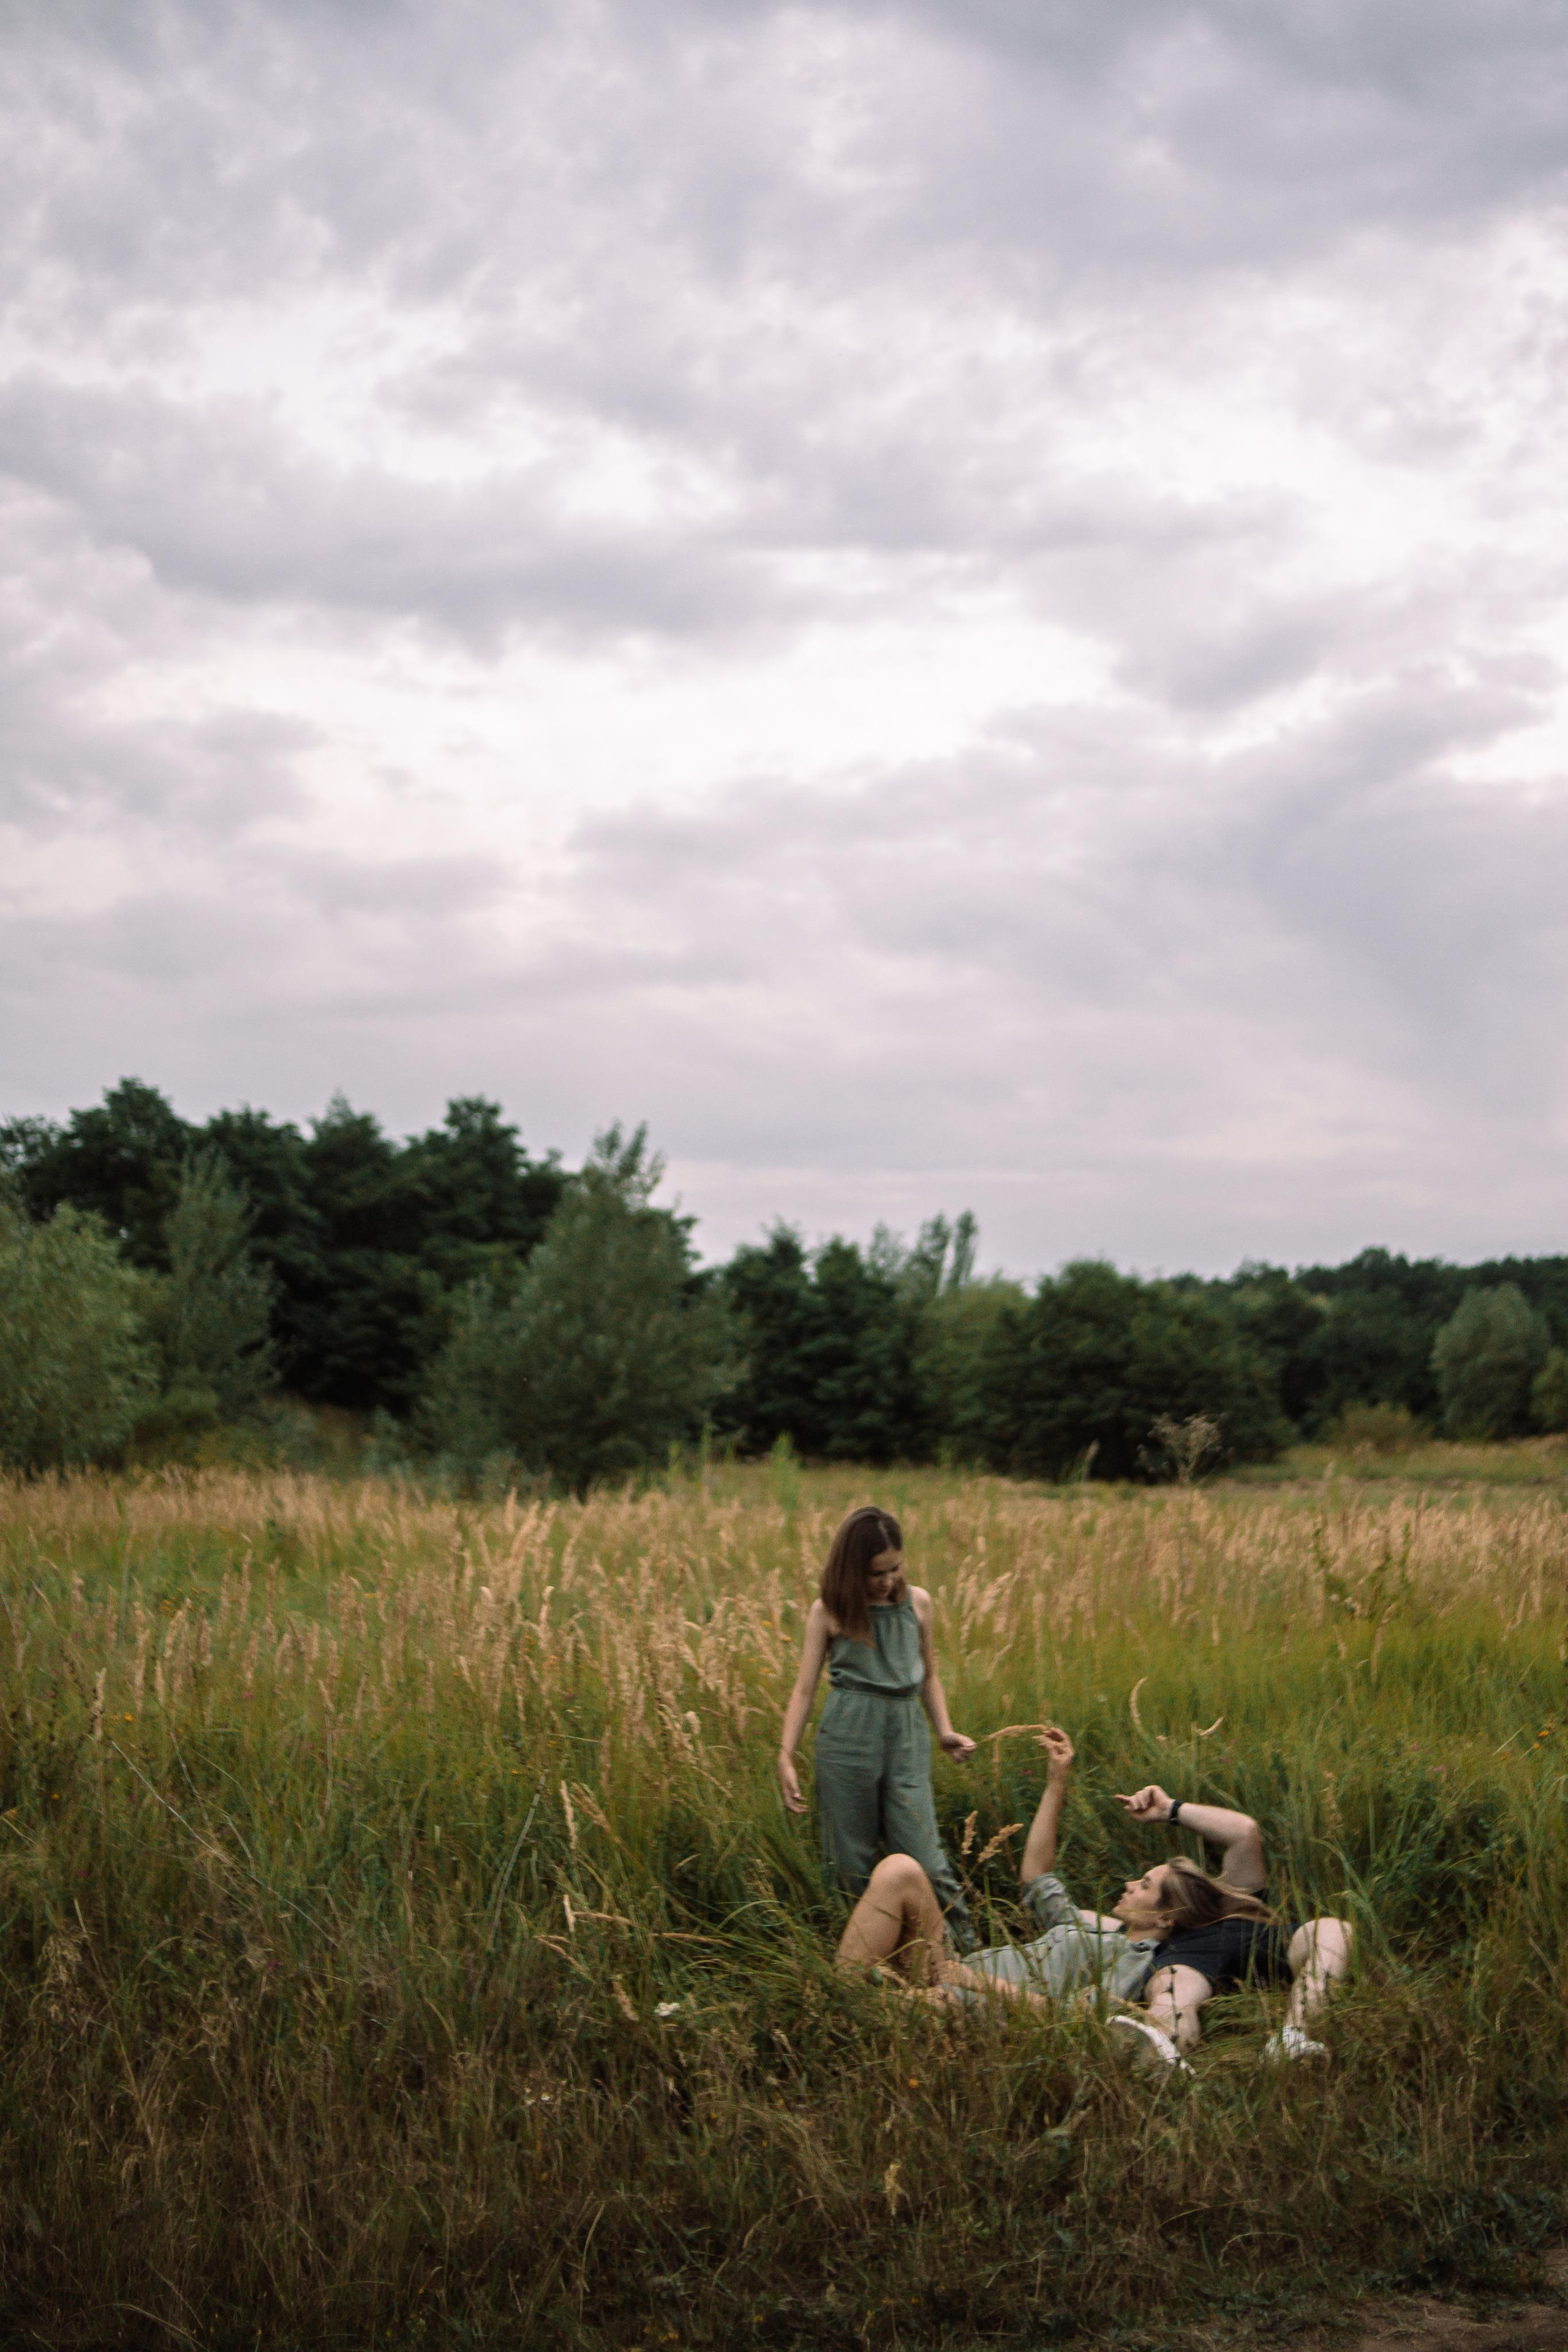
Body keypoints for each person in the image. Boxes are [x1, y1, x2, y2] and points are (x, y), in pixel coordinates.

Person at [835, 1727, 1352, 2065]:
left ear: (1167, 1917)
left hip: (976, 2004)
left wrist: (969, 1983)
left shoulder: (1138, 1962)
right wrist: (1058, 1779)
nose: (1129, 1884)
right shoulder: (1088, 1921)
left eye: (1144, 1885)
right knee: (901, 1870)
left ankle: (846, 2012)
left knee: (926, 2007)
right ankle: (840, 1989)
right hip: (951, 1969)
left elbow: (1074, 2018)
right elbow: (1037, 1874)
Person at [778, 1504, 979, 1950]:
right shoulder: (829, 1611)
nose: (888, 1580)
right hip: (848, 1736)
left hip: (906, 1734)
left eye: (895, 1568)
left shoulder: (919, 1604)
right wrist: (785, 1755)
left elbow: (929, 1677)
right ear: (852, 1569)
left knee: (926, 1858)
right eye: (876, 1573)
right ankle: (869, 1962)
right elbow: (804, 1690)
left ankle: (964, 1955)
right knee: (851, 1860)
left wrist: (944, 1731)